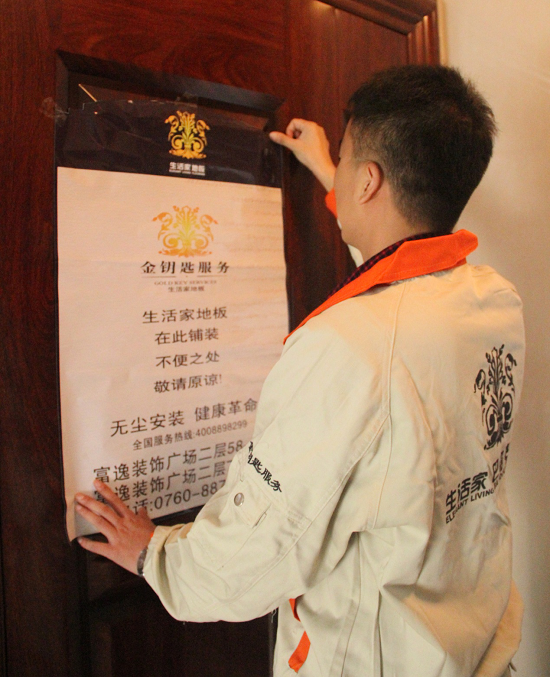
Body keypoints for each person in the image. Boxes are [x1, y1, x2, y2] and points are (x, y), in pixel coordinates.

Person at [75, 65, 525, 677]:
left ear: (370, 181)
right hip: (473, 649)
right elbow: (398, 276)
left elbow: (255, 552)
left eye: (348, 158)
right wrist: (330, 170)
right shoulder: (492, 299)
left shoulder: (347, 349)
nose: (340, 167)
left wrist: (154, 554)